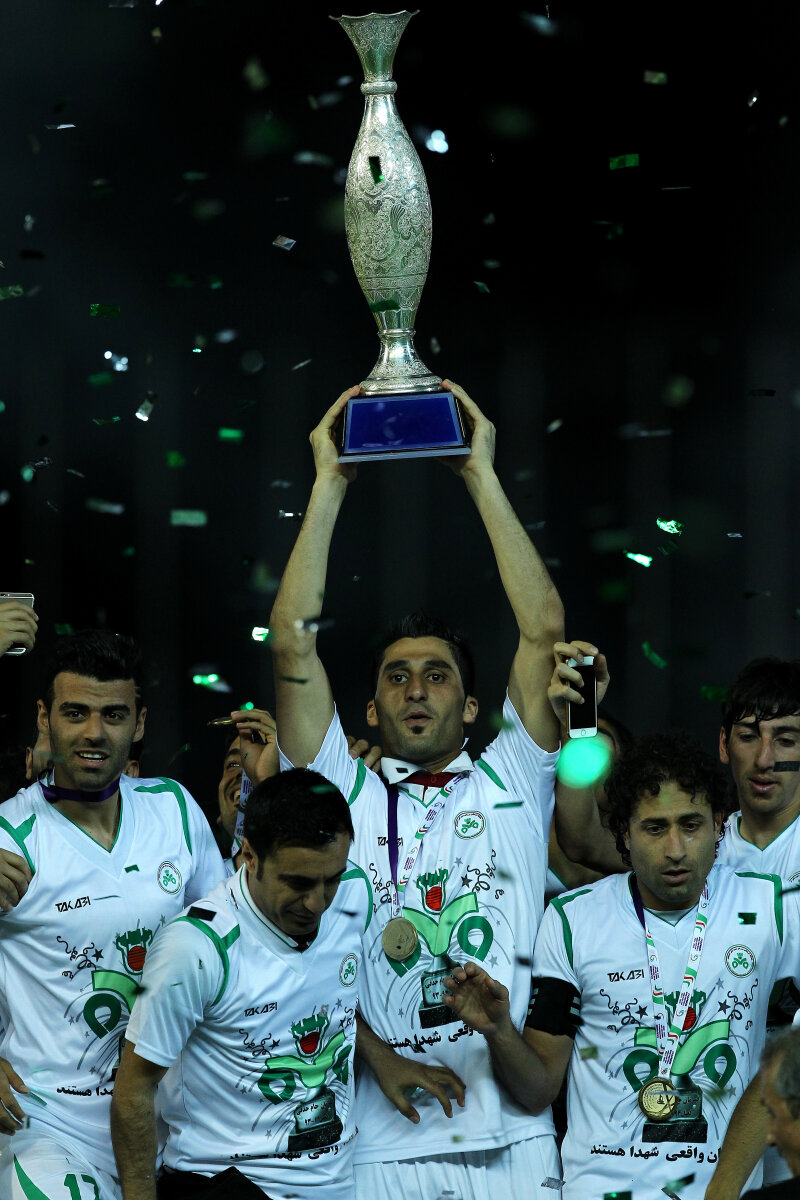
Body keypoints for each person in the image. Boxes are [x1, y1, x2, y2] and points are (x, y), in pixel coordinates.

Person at [269, 381, 566, 1198]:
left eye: (438, 676)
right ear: (369, 710)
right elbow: (292, 644)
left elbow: (543, 630)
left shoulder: (513, 777)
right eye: (396, 678)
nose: (416, 690)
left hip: (513, 1140)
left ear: (471, 707)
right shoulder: (341, 794)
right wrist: (330, 483)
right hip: (382, 1141)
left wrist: (480, 475)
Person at [443, 730, 800, 1200]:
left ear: (719, 824)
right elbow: (538, 1089)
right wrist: (499, 1032)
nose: (675, 849)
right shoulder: (573, 919)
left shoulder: (772, 908)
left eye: (691, 825)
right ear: (625, 834)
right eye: (654, 828)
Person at [111, 768, 462, 1199]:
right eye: (298, 883)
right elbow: (134, 1090)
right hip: (225, 1183)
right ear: (249, 855)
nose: (316, 903)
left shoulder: (355, 892)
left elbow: (324, 1000)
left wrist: (381, 1057)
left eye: (330, 879)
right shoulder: (194, 947)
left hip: (337, 1185)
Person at [0, 629, 227, 1200]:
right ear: (45, 718)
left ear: (139, 723)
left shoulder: (174, 808)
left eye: (114, 715)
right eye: (75, 713)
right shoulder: (9, 835)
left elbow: (232, 947)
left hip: (175, 1128)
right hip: (49, 1126)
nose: (95, 733)